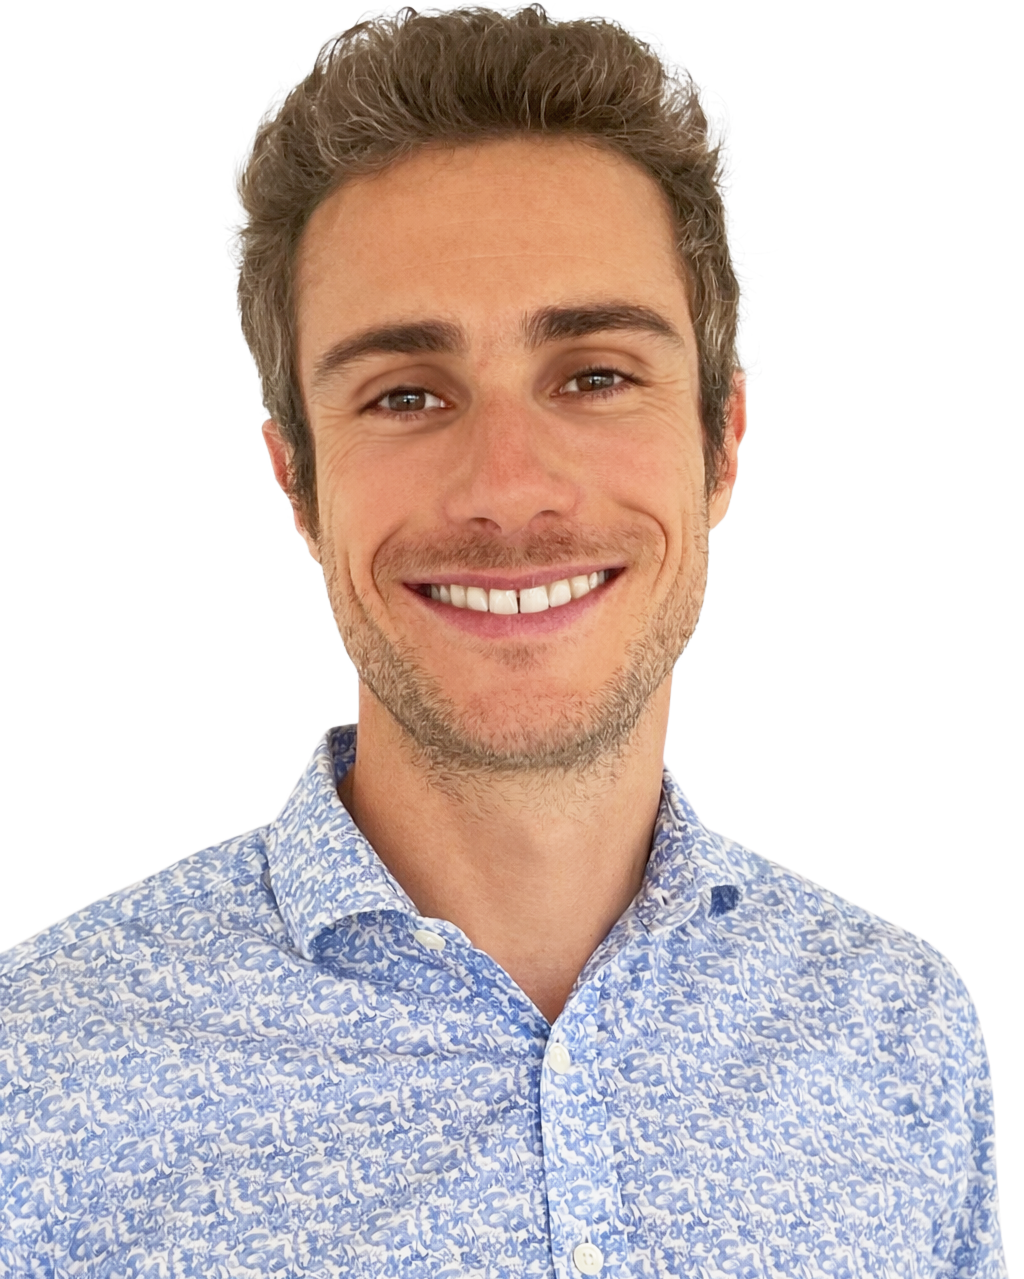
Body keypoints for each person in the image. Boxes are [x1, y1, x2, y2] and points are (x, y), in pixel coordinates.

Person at [0, 6, 1005, 1276]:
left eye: (594, 374)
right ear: (297, 483)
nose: (508, 486)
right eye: (406, 395)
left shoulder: (895, 1033)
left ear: (723, 440)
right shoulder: (36, 1082)